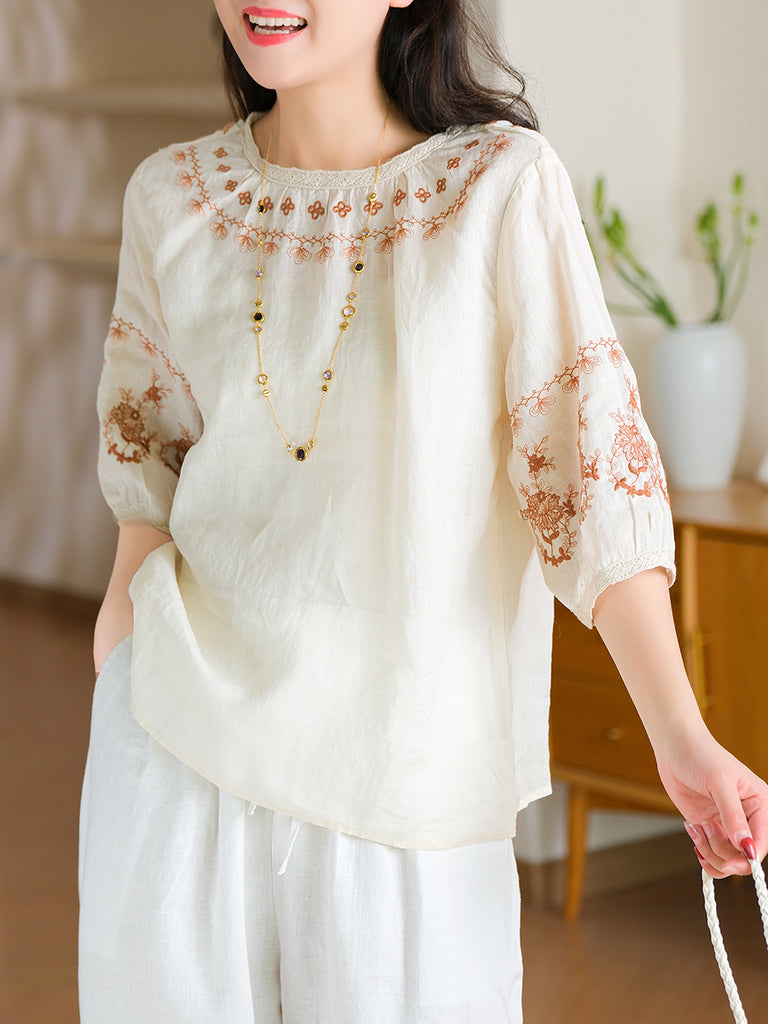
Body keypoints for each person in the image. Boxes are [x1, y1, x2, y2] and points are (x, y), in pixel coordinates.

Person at [79, 1, 768, 1021]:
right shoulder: (172, 196)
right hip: (177, 743)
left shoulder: (499, 187)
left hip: (404, 767)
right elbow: (152, 450)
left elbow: (587, 476)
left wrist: (681, 732)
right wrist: (120, 643)